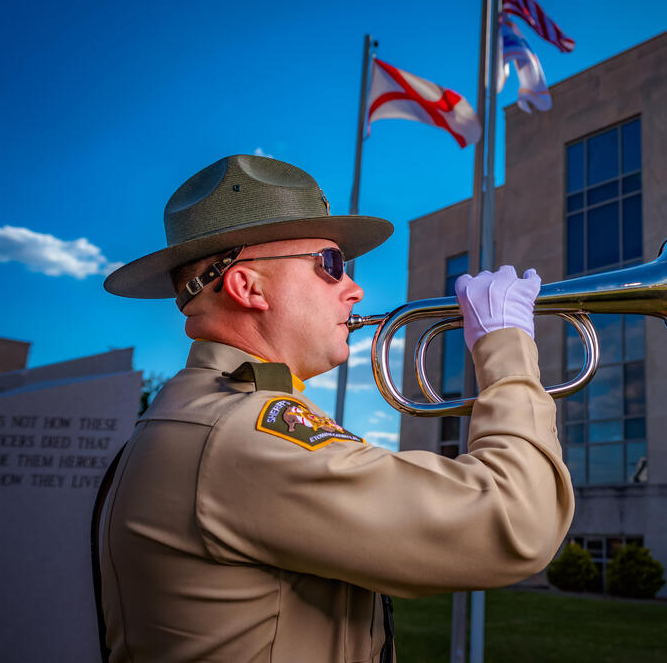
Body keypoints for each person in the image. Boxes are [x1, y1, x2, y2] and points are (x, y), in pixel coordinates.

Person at [97, 154, 574, 662]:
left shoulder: (208, 414)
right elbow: (518, 519)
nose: (354, 288)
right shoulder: (236, 432)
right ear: (247, 286)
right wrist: (506, 349)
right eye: (330, 265)